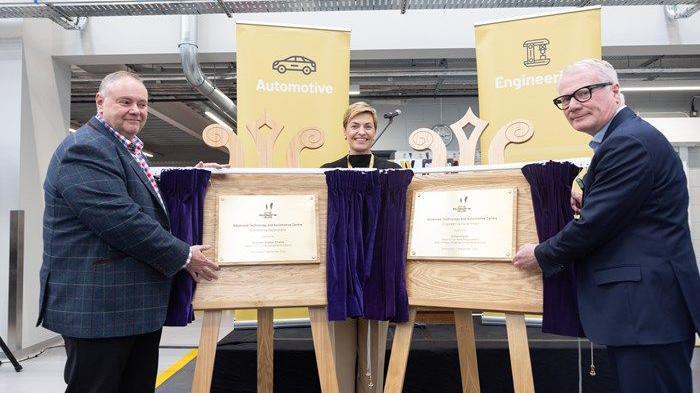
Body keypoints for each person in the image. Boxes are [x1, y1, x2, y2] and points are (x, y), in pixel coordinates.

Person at [513, 59, 700, 393]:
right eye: (564, 100)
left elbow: (594, 226)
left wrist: (540, 254)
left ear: (615, 90)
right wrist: (585, 186)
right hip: (644, 313)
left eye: (583, 93)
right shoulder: (622, 139)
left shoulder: (628, 142)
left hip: (647, 313)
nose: (572, 105)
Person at [37, 71, 221, 393]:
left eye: (142, 103)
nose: (136, 110)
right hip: (99, 307)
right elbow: (122, 220)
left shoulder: (122, 147)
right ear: (100, 102)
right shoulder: (85, 149)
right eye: (125, 102)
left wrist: (196, 176)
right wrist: (183, 255)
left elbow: (144, 194)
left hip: (129, 304)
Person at [321, 101, 401, 169]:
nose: (362, 132)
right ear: (345, 131)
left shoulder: (394, 170)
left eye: (368, 127)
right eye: (355, 126)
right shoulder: (327, 171)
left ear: (375, 132)